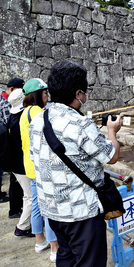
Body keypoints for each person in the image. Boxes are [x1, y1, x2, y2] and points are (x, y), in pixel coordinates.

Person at [29, 60, 121, 266]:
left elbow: (37, 158)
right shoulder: (80, 124)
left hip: (52, 209)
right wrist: (112, 131)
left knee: (66, 256)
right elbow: (111, 155)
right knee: (90, 261)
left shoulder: (38, 121)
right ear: (79, 94)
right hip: (81, 213)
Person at [20, 78, 59, 262]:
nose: (47, 96)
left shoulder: (23, 112)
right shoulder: (37, 112)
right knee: (49, 206)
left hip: (29, 165)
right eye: (45, 93)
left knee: (37, 204)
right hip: (40, 165)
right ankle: (54, 248)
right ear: (37, 95)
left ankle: (39, 240)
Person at [7, 89, 35, 237]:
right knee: (30, 197)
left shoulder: (12, 119)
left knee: (26, 195)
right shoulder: (21, 120)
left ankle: (27, 223)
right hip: (21, 164)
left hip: (15, 164)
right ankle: (22, 227)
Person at [0, 78, 25, 205]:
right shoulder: (6, 104)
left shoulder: (2, 99)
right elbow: (8, 127)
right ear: (12, 89)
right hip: (6, 143)